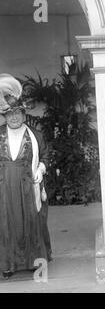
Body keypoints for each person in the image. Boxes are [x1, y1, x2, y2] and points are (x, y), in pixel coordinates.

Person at [0, 74, 51, 279]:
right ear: (4, 116)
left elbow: (46, 156)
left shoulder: (36, 135)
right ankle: (8, 264)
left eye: (18, 113)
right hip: (3, 187)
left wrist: (41, 169)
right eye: (9, 114)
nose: (14, 117)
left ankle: (34, 262)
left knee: (32, 221)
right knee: (6, 222)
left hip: (28, 185)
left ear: (23, 114)